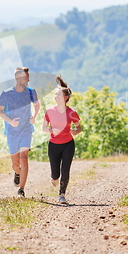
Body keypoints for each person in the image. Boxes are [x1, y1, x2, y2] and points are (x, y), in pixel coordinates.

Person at [0, 67, 40, 197]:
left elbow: (37, 105)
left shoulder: (31, 92)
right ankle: (17, 173)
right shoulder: (6, 93)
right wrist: (11, 122)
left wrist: (34, 116)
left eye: (28, 77)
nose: (28, 80)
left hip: (26, 130)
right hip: (12, 132)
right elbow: (0, 111)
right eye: (26, 77)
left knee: (24, 159)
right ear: (17, 78)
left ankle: (21, 190)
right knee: (16, 164)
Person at [42, 75, 81, 204]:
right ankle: (54, 179)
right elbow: (44, 128)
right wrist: (52, 131)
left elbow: (78, 128)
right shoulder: (49, 111)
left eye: (59, 95)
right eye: (55, 95)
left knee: (65, 170)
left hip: (68, 144)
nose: (56, 97)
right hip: (53, 145)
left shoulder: (71, 112)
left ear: (66, 97)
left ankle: (62, 195)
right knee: (55, 174)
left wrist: (75, 131)